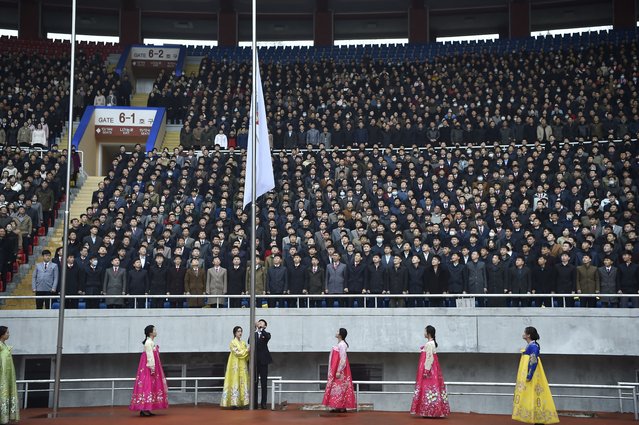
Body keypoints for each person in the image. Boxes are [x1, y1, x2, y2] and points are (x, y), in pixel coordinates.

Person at [512, 326, 559, 424]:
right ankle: (536, 418)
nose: (523, 334)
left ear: (528, 335)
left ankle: (538, 418)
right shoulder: (532, 346)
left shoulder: (533, 346)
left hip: (532, 375)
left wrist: (529, 375)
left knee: (534, 394)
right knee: (533, 395)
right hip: (532, 374)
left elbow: (533, 360)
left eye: (525, 332)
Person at [410, 325, 449, 418]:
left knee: (427, 389)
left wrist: (426, 371)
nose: (423, 333)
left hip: (429, 372)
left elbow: (429, 358)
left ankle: (429, 411)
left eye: (425, 331)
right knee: (431, 390)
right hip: (433, 371)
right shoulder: (431, 343)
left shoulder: (429, 344)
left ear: (428, 333)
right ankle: (432, 411)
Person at [129, 325, 168, 416]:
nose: (156, 331)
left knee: (149, 386)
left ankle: (146, 408)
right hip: (148, 368)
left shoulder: (150, 342)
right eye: (154, 330)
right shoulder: (148, 342)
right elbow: (150, 356)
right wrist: (152, 368)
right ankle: (144, 409)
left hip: (150, 367)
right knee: (147, 385)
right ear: (150, 332)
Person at [322, 328, 356, 413]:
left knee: (340, 387)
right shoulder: (340, 344)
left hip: (341, 370)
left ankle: (341, 406)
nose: (336, 332)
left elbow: (343, 358)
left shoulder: (342, 345)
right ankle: (338, 406)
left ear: (340, 334)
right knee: (338, 387)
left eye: (337, 331)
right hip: (338, 369)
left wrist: (338, 370)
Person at [220, 326, 249, 409]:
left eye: (241, 331)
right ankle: (234, 403)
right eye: (238, 331)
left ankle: (243, 402)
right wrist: (247, 351)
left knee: (242, 381)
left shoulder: (243, 343)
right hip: (235, 365)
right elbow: (238, 353)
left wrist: (247, 352)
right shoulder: (233, 342)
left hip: (242, 364)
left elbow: (245, 355)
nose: (240, 333)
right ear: (235, 333)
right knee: (234, 381)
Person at [0, 326, 19, 424]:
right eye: (7, 332)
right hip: (2, 376)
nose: (8, 334)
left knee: (8, 393)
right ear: (2, 334)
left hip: (8, 376)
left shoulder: (5, 346)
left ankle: (6, 417)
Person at [253, 319, 273, 409]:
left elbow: (267, 338)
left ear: (265, 326)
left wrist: (262, 329)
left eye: (262, 323)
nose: (260, 324)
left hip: (264, 361)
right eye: (259, 322)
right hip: (255, 362)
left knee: (264, 383)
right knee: (254, 383)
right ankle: (254, 403)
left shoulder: (266, 334)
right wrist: (255, 330)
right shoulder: (254, 334)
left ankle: (263, 403)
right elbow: (250, 341)